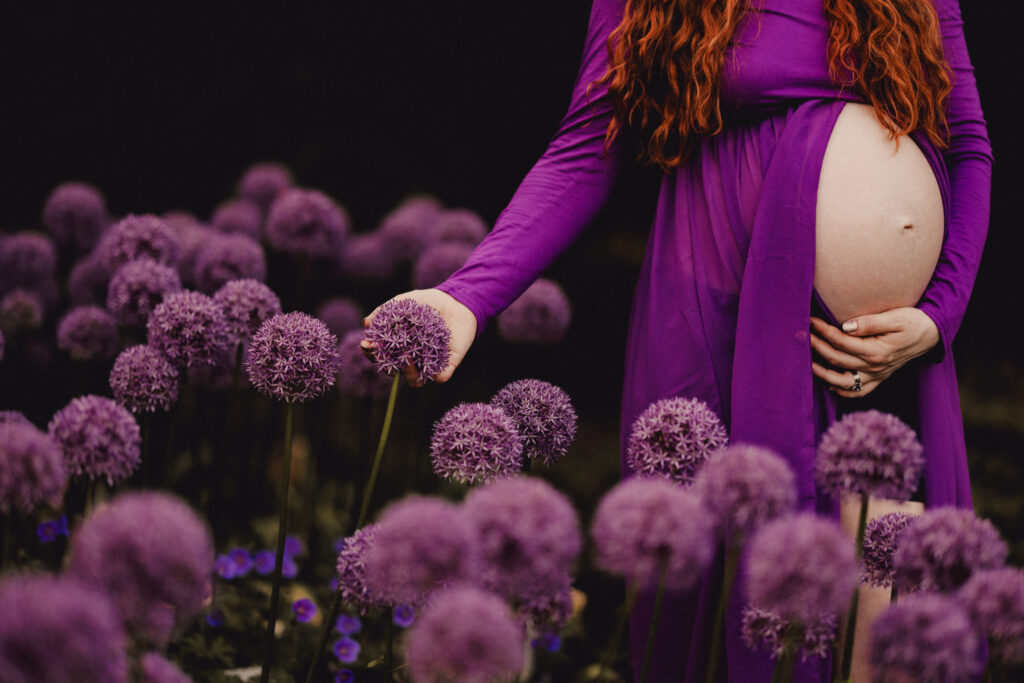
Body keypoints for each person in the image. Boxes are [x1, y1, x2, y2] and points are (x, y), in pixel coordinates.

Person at [363, 0, 991, 681]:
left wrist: (938, 315)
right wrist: (467, 297)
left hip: (889, 347)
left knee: (890, 625)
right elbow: (585, 150)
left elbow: (967, 144)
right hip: (726, 315)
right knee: (763, 613)